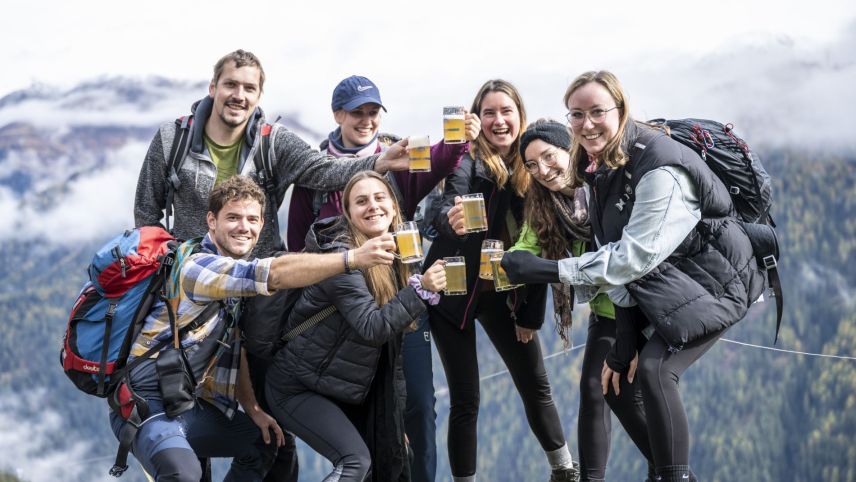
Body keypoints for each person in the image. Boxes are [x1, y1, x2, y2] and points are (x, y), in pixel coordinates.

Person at [133, 50, 410, 481]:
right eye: (231, 85)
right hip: (192, 306)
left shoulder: (271, 140)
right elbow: (146, 220)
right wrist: (169, 284)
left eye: (249, 88)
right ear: (213, 88)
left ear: (259, 95)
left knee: (269, 435)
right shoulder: (172, 140)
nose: (238, 95)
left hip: (261, 302)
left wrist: (375, 163)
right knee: (188, 438)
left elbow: (320, 169)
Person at [502, 71, 766, 482]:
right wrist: (625, 340)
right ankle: (665, 473)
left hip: (716, 280)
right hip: (658, 290)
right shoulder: (600, 168)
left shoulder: (657, 165)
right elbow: (620, 255)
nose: (586, 123)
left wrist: (551, 270)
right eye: (576, 114)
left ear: (621, 110)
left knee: (655, 371)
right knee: (614, 385)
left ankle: (673, 477)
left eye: (596, 112)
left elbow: (631, 258)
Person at [110, 175, 399, 481]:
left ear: (262, 224)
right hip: (147, 404)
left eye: (252, 219)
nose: (243, 227)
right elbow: (271, 274)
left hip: (189, 405)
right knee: (183, 475)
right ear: (211, 220)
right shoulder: (197, 268)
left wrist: (252, 408)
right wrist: (351, 258)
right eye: (232, 218)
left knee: (262, 443)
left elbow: (236, 345)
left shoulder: (232, 284)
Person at [285, 74, 479, 482]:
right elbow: (298, 250)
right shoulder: (314, 173)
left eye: (373, 111)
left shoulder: (397, 156)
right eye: (357, 112)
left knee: (418, 409)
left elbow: (438, 164)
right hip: (349, 318)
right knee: (371, 420)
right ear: (337, 115)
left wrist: (462, 138)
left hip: (405, 299)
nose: (367, 120)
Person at [423, 80, 579, 482]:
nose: (498, 120)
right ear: (476, 119)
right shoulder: (465, 160)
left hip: (504, 295)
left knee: (534, 383)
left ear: (519, 115)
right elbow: (440, 206)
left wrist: (531, 312)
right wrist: (449, 219)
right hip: (451, 291)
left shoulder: (534, 165)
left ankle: (564, 470)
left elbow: (542, 246)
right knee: (465, 399)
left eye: (505, 111)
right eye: (488, 112)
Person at [265, 171, 447, 482]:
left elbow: (395, 354)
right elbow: (373, 327)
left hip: (337, 386)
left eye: (379, 198)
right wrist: (419, 291)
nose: (372, 206)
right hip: (299, 386)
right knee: (356, 462)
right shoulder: (341, 258)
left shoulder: (398, 256)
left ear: (393, 206)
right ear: (348, 213)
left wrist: (394, 421)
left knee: (386, 461)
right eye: (361, 201)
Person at [509, 119, 654, 482]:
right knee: (596, 390)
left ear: (569, 148)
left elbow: (627, 261)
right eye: (531, 165)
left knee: (624, 389)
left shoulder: (604, 186)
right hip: (607, 312)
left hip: (646, 307)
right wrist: (517, 260)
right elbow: (522, 251)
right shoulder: (545, 204)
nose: (542, 170)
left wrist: (546, 268)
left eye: (548, 156)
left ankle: (669, 468)